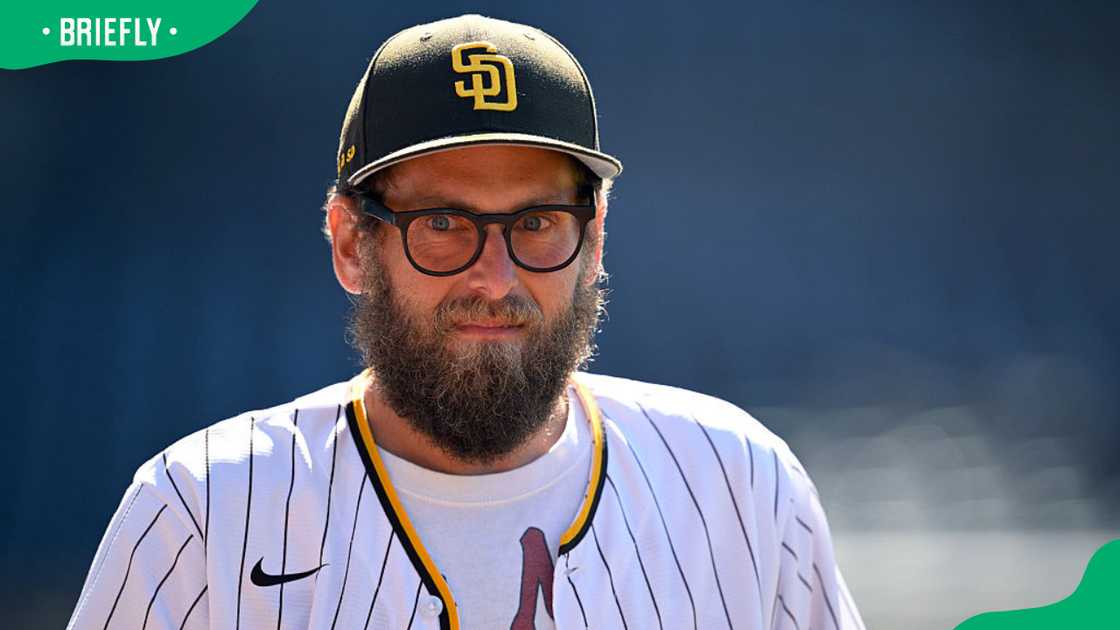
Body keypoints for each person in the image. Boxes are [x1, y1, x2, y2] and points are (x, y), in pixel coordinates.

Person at [68, 13, 864, 630]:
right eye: (444, 224)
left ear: (595, 239)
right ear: (352, 243)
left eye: (539, 222)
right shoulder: (203, 507)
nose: (497, 277)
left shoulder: (740, 482)